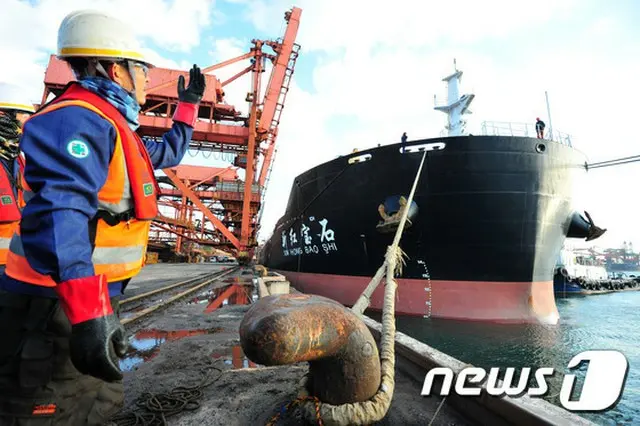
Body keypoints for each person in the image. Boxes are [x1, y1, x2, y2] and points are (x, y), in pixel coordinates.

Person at [0, 10, 205, 425]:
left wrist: (187, 108)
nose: (148, 78)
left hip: (84, 300)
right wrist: (88, 311)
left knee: (97, 401)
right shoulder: (75, 119)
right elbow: (63, 212)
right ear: (116, 70)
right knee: (45, 411)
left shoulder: (112, 125)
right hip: (53, 305)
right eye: (141, 69)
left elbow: (166, 154)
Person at [0, 83, 35, 274]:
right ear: (5, 116)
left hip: (12, 260)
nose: (27, 123)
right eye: (24, 116)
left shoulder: (18, 159)